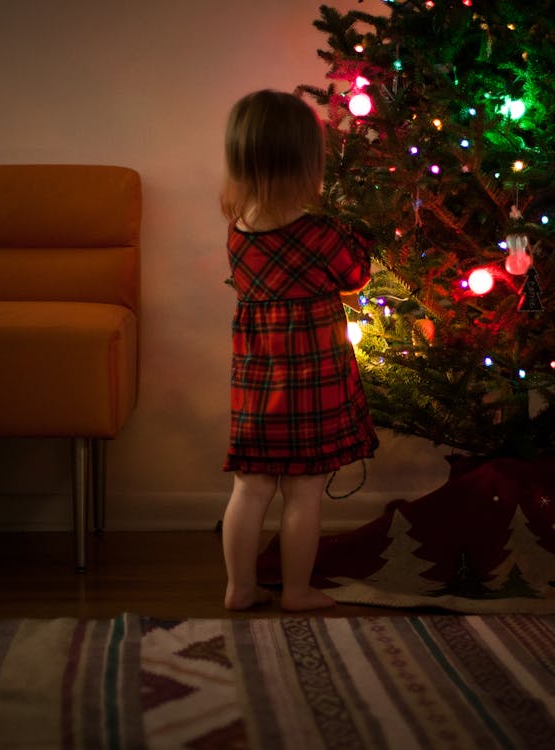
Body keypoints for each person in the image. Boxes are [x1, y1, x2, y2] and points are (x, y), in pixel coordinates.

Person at [219, 89, 379, 611]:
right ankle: (296, 591)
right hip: (312, 379)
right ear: (307, 162)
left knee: (249, 489)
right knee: (303, 494)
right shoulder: (321, 231)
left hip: (258, 380)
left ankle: (239, 588)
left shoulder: (238, 232)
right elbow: (355, 276)